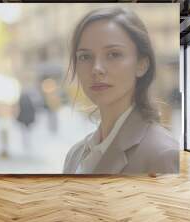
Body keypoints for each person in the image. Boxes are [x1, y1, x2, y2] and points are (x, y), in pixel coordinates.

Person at [63, 7, 179, 175]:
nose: (96, 69)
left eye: (113, 54)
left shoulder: (163, 154)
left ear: (142, 64)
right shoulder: (75, 154)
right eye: (85, 56)